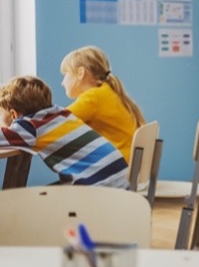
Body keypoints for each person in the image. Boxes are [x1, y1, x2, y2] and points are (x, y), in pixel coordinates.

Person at [0, 75, 129, 187]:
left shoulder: (30, 127)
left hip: (101, 188)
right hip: (123, 179)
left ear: (13, 115)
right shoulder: (62, 113)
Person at [60, 46, 145, 163]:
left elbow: (56, 123)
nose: (62, 82)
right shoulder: (108, 91)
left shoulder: (93, 97)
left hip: (117, 170)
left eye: (65, 74)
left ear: (80, 73)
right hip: (129, 168)